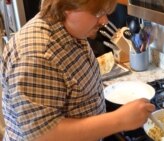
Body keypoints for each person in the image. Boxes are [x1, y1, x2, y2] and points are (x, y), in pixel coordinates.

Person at [0, 0, 155, 140]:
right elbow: (44, 135)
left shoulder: (71, 30)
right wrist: (119, 120)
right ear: (68, 6)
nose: (104, 21)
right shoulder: (37, 55)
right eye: (98, 13)